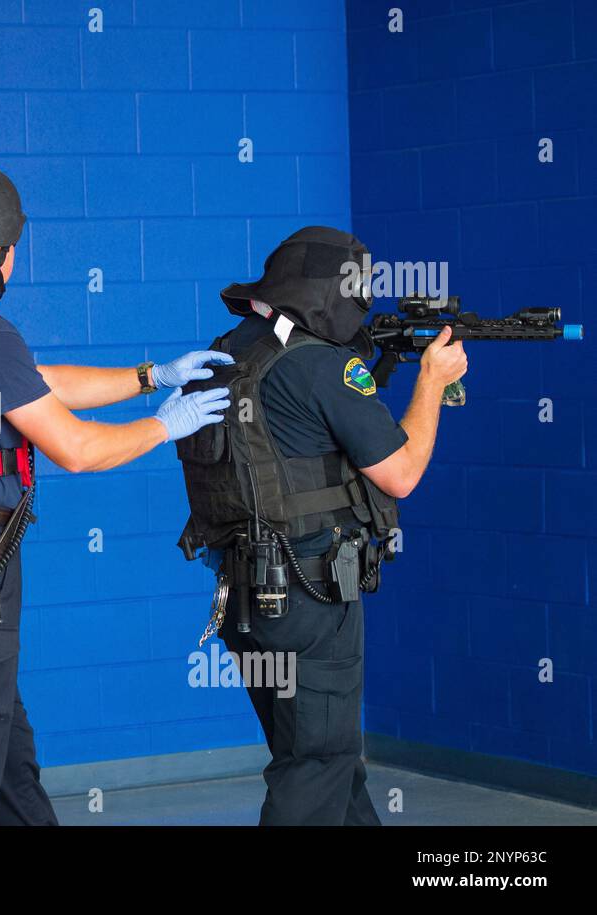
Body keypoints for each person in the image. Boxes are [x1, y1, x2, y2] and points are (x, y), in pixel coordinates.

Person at [0, 163, 232, 825]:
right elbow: (78, 448)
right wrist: (163, 426)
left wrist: (151, 375)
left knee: (4, 755)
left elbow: (39, 382)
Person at [175, 225, 468, 825]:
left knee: (326, 763)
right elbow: (401, 473)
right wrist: (433, 381)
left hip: (248, 601)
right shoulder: (323, 367)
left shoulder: (231, 352)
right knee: (317, 763)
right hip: (310, 597)